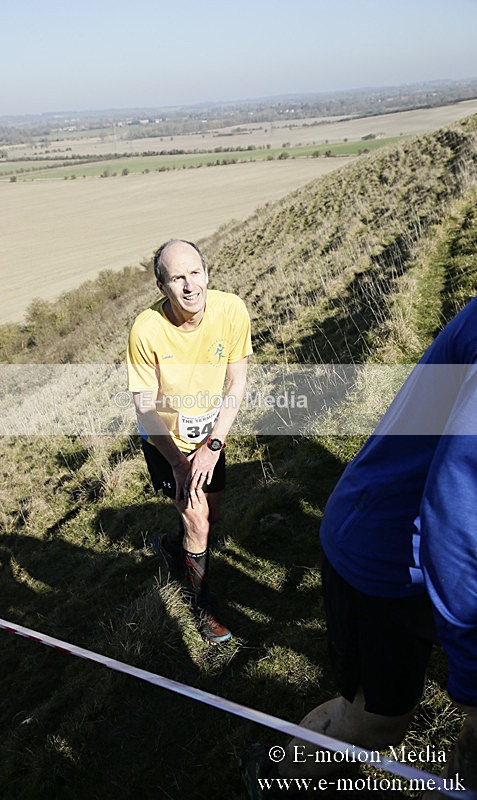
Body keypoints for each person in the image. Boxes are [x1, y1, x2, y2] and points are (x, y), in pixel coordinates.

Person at [242, 298, 477, 798]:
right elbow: (456, 510)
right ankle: (277, 779)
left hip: (414, 540)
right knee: (374, 722)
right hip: (386, 552)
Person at [126, 239, 252, 644]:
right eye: (177, 278)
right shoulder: (146, 331)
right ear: (162, 287)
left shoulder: (231, 310)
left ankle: (170, 544)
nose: (189, 285)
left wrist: (213, 445)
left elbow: (237, 381)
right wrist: (180, 464)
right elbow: (145, 408)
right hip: (165, 441)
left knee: (211, 517)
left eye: (195, 272)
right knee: (198, 522)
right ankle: (202, 606)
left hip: (209, 437)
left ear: (207, 273)